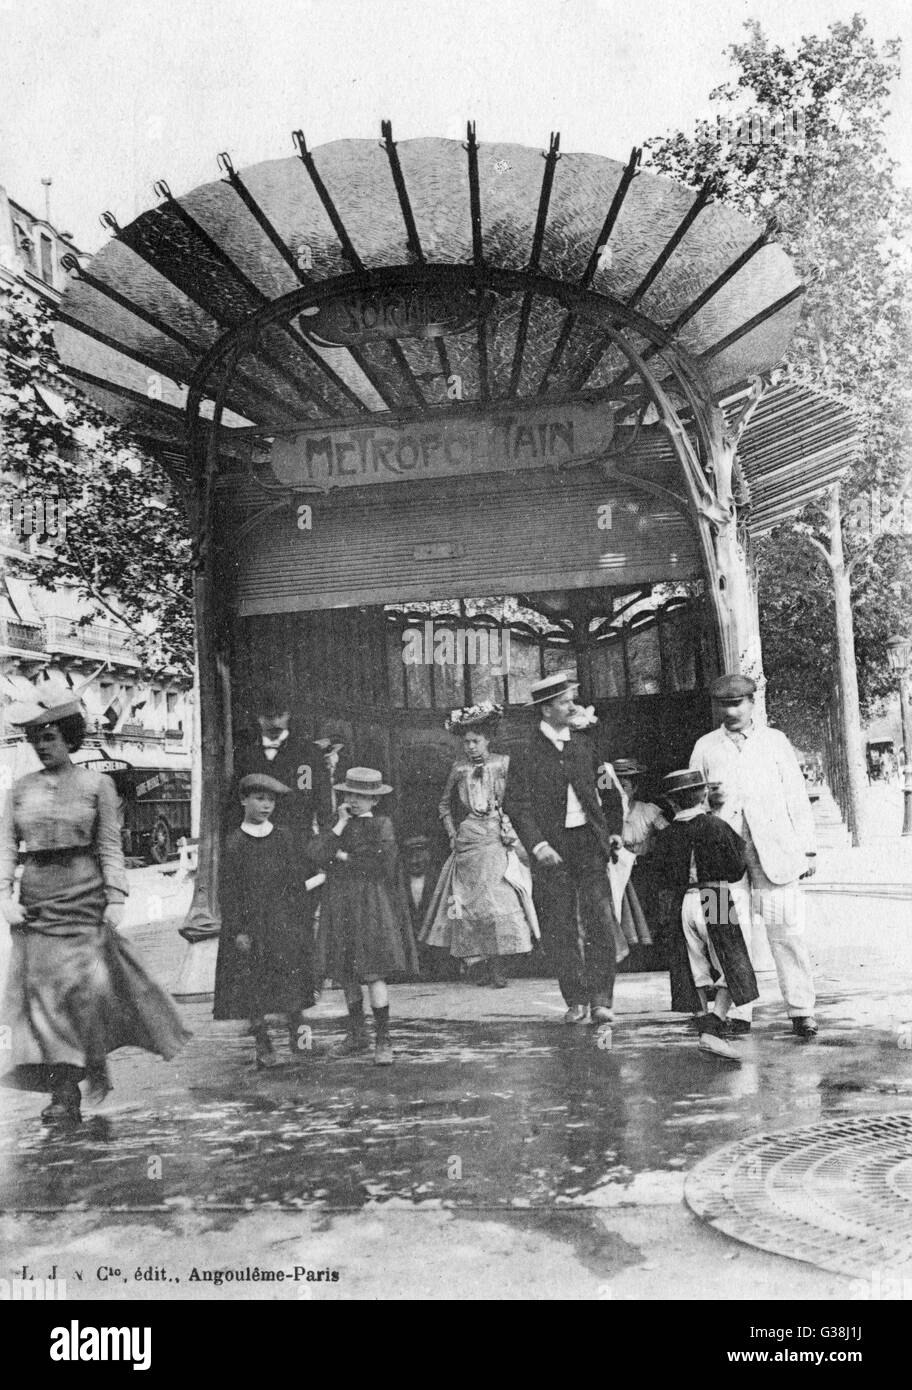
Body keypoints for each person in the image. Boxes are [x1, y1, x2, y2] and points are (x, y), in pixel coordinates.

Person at [0, 697, 189, 1128]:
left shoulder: (96, 785)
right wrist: (3, 896)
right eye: (35, 740)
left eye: (48, 738)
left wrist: (117, 895)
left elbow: (109, 845)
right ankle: (64, 1090)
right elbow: (6, 848)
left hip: (84, 894)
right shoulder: (20, 789)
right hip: (36, 901)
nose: (41, 747)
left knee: (82, 991)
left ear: (69, 738)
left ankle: (92, 1059)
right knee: (45, 999)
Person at [689, 673, 819, 1039]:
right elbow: (691, 803)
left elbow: (796, 796)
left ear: (752, 703)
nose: (730, 711)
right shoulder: (705, 747)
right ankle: (737, 1013)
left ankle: (801, 1010)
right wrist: (706, 802)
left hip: (775, 855)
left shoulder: (776, 742)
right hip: (719, 859)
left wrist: (807, 849)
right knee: (723, 933)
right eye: (724, 705)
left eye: (737, 703)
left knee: (787, 933)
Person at [503, 672, 624, 1035]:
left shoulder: (586, 744)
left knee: (601, 919)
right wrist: (537, 845)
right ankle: (576, 999)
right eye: (564, 702)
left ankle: (602, 1000)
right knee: (559, 925)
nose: (572, 706)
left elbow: (608, 790)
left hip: (589, 844)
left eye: (571, 700)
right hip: (551, 851)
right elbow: (517, 803)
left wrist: (614, 830)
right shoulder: (525, 751)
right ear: (546, 708)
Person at [420, 703, 538, 987]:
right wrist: (451, 833)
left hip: (497, 837)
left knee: (499, 900)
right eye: (466, 742)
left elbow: (518, 800)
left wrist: (509, 826)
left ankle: (499, 967)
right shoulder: (459, 767)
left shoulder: (503, 763)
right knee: (471, 904)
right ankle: (481, 966)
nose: (471, 746)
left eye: (476, 741)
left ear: (488, 740)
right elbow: (444, 805)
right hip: (468, 839)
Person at [308, 767, 418, 1065]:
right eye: (349, 794)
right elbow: (317, 854)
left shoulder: (381, 825)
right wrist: (340, 826)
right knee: (345, 970)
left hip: (369, 903)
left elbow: (380, 864)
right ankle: (357, 1035)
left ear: (374, 801)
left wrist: (342, 857)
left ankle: (383, 1039)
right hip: (339, 902)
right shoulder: (337, 823)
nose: (354, 801)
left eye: (362, 796)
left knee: (373, 970)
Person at [212, 773, 318, 1069]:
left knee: (292, 981)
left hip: (283, 921)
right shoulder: (234, 842)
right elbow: (229, 892)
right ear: (244, 800)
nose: (266, 805)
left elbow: (295, 880)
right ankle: (263, 1044)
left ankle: (301, 1041)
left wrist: (300, 918)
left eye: (271, 800)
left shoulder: (283, 837)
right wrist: (238, 931)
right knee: (253, 985)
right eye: (259, 799)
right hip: (251, 926)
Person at [652, 769, 758, 1061]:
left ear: (672, 803)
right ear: (702, 795)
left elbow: (658, 874)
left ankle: (703, 1023)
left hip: (682, 901)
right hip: (715, 895)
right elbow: (737, 868)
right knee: (731, 960)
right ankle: (715, 1027)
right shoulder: (716, 825)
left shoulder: (666, 835)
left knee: (693, 965)